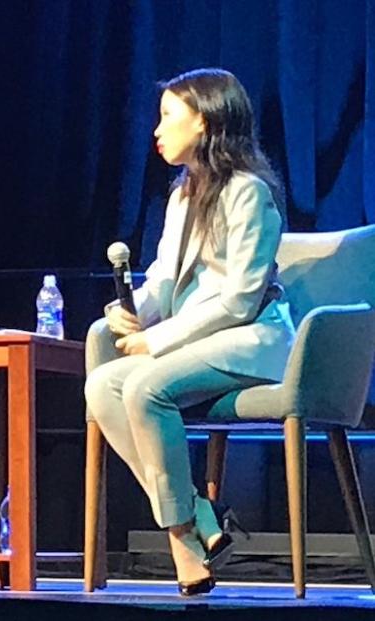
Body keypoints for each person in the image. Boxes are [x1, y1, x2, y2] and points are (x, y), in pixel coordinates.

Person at [84, 68, 294, 596]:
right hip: (199, 342)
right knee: (102, 384)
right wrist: (127, 312)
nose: (156, 130)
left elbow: (240, 300)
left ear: (202, 121)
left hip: (253, 340)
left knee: (143, 384)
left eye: (167, 117)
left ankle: (183, 539)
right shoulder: (182, 195)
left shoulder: (249, 193)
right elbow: (163, 278)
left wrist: (158, 340)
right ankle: (193, 518)